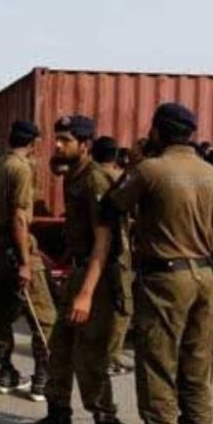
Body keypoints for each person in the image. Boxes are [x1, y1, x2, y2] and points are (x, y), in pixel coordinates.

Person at [88, 103, 213, 424]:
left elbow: (109, 206)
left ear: (158, 130)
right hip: (205, 275)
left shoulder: (149, 170)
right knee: (197, 367)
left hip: (164, 279)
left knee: (157, 364)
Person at [19, 115, 128, 424]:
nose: (58, 145)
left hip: (99, 278)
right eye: (58, 139)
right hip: (81, 271)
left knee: (90, 355)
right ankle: (58, 419)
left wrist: (85, 293)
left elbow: (104, 241)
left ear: (86, 145)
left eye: (66, 140)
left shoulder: (96, 179)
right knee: (61, 347)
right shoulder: (74, 176)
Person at [0, 121, 54, 400]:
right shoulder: (21, 168)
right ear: (33, 142)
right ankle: (42, 378)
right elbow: (18, 216)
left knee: (2, 314)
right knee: (44, 317)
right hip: (18, 245)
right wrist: (26, 261)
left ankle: (6, 371)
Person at [92, 136, 134, 376]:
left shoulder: (86, 176)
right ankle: (111, 356)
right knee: (122, 305)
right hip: (117, 249)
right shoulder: (118, 179)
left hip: (95, 250)